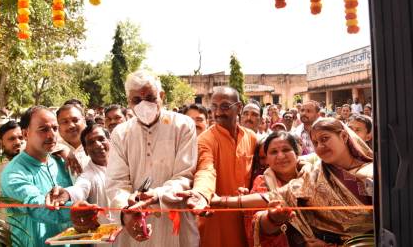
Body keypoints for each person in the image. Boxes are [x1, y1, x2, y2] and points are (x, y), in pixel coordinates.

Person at [211, 118, 374, 246]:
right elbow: (271, 197)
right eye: (316, 143)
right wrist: (220, 201)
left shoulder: (376, 172)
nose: (320, 146)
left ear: (344, 136)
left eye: (325, 139)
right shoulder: (314, 174)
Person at [106, 69, 199, 246]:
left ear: (161, 96)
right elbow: (116, 182)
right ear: (129, 102)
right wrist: (127, 210)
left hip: (173, 219)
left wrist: (158, 195)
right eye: (137, 100)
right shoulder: (121, 133)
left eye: (150, 98)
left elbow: (184, 175)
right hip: (134, 219)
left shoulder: (183, 125)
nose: (144, 104)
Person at [177, 86, 257, 247]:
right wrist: (201, 193)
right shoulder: (206, 140)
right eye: (214, 107)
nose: (218, 112)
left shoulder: (251, 137)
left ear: (239, 107)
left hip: (246, 219)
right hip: (216, 220)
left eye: (225, 107)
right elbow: (206, 169)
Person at [1, 106, 73, 246]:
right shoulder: (14, 173)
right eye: (44, 129)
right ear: (25, 134)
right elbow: (40, 208)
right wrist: (77, 210)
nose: (52, 135)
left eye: (55, 128)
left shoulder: (61, 163)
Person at [45, 122, 113, 225]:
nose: (97, 145)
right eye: (91, 142)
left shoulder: (125, 164)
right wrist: (67, 194)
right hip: (107, 236)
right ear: (85, 151)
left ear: (110, 141)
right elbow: (80, 188)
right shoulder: (88, 175)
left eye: (101, 139)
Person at [55, 104, 89, 178]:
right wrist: (61, 149)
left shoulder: (97, 146)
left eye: (75, 120)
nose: (71, 126)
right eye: (65, 122)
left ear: (84, 121)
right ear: (57, 126)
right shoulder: (51, 150)